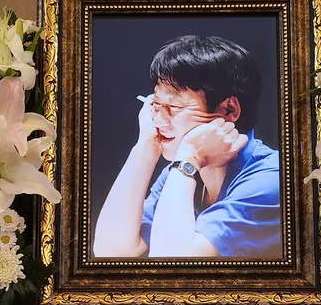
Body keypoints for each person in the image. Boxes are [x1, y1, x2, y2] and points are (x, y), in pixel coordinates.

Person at [93, 35, 282, 259]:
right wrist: (147, 144)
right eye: (155, 104)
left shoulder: (271, 180)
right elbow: (112, 251)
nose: (158, 120)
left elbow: (171, 265)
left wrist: (188, 158)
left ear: (229, 110)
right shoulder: (183, 169)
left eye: (174, 106)